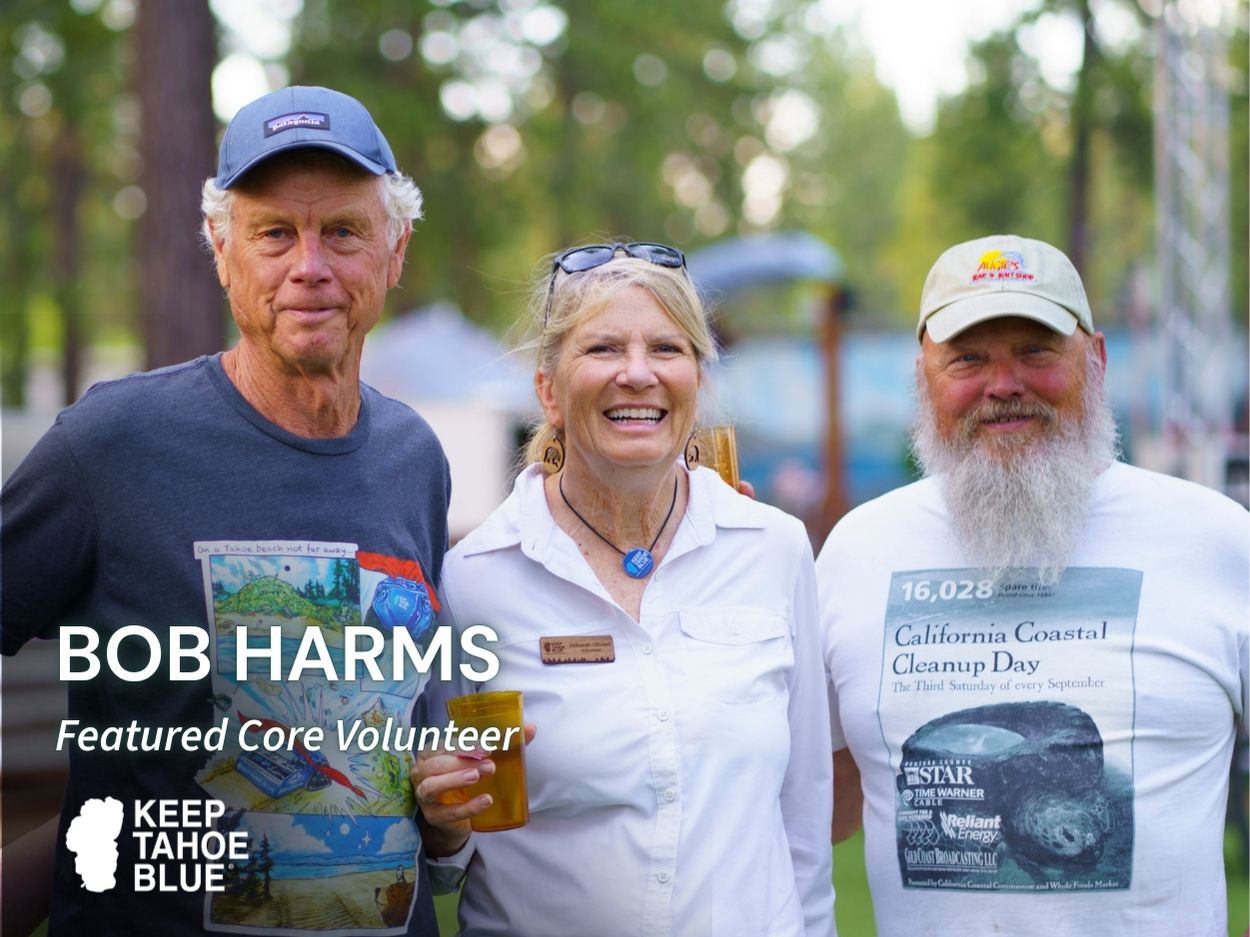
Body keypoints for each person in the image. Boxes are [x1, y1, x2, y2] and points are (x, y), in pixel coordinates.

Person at [1, 87, 452, 936]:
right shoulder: (111, 443)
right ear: (221, 249)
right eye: (274, 233)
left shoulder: (414, 456)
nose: (308, 265)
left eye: (343, 231)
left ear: (395, 251)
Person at [817, 234, 1248, 936]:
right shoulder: (857, 551)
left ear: (1096, 361)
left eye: (1036, 350)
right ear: (923, 376)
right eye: (968, 358)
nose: (1003, 384)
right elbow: (814, 806)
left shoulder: (1217, 540)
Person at [412, 242, 835, 937]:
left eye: (666, 348)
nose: (637, 373)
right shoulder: (475, 579)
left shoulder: (774, 549)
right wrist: (445, 822)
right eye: (603, 348)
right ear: (549, 390)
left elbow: (804, 823)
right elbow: (447, 858)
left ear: (698, 380)